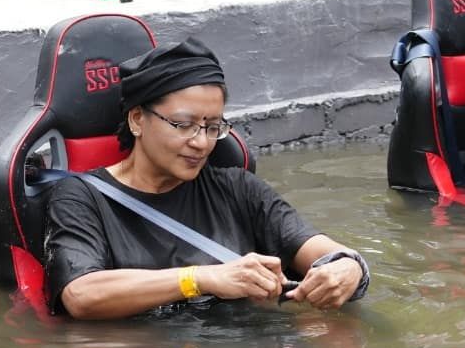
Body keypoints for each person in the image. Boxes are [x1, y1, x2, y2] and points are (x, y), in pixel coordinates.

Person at [43, 38, 370, 319]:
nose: (201, 142)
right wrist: (200, 279)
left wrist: (348, 269)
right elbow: (81, 296)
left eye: (213, 127)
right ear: (138, 119)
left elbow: (325, 251)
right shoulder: (81, 197)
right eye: (183, 125)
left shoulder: (238, 189)